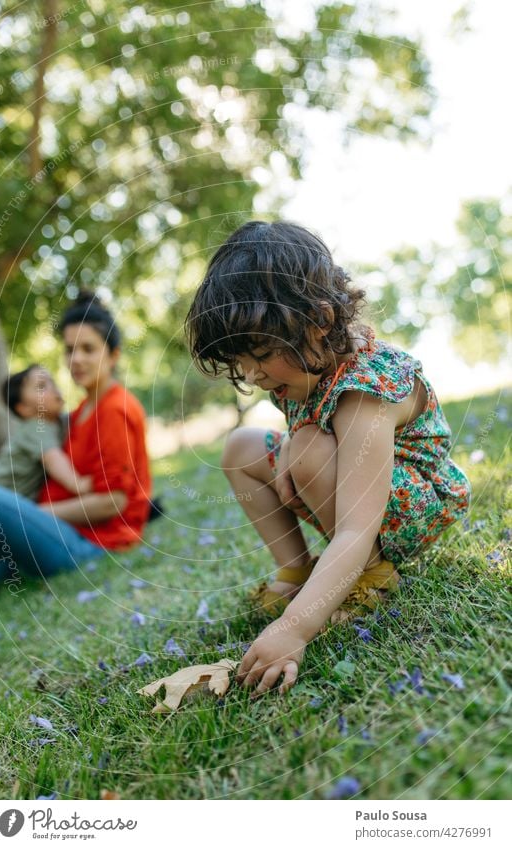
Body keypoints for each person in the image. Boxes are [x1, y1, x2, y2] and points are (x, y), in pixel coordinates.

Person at [186, 220, 471, 696]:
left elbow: (357, 523)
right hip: (355, 500)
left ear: (318, 321)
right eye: (242, 360)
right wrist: (292, 461)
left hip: (412, 505)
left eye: (260, 352)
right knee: (242, 447)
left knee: (307, 448)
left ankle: (372, 578)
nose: (253, 374)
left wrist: (296, 629)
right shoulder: (303, 368)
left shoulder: (365, 390)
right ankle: (297, 572)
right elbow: (306, 431)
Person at [0, 293, 151, 592]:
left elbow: (114, 502)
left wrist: (31, 514)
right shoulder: (79, 412)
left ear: (113, 355)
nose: (77, 360)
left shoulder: (115, 409)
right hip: (58, 532)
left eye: (88, 349)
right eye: (70, 350)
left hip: (90, 543)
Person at [0, 365, 92, 500]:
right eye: (41, 386)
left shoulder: (59, 421)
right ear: (24, 409)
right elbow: (52, 459)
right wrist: (79, 484)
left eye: (51, 381)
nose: (53, 388)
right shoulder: (35, 428)